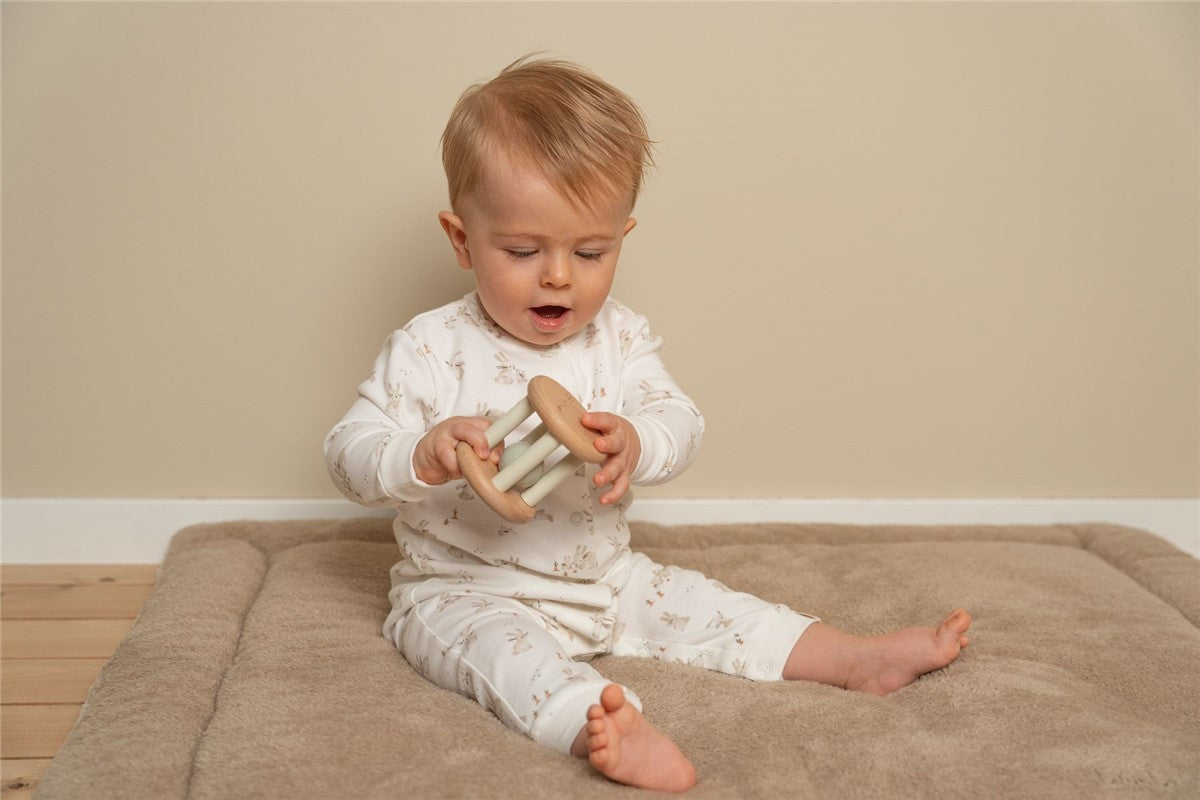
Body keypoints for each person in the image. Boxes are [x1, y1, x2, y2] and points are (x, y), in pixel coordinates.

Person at [324, 55, 971, 793]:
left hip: (605, 576)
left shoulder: (619, 339)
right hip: (462, 588)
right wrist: (420, 455)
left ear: (622, 237)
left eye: (591, 251)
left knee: (714, 608)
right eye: (523, 251)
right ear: (462, 238)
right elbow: (347, 452)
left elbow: (680, 419)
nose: (559, 276)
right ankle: (601, 723)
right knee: (503, 659)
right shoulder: (429, 347)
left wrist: (639, 440)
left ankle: (852, 658)